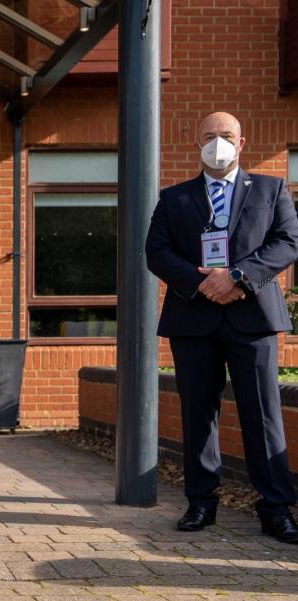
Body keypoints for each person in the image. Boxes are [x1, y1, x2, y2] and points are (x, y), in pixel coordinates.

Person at [146, 111, 298, 543]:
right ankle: (200, 503)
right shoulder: (174, 198)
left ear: (242, 142)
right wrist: (204, 283)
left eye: (226, 135)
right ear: (197, 145)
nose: (218, 143)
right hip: (193, 318)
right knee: (198, 414)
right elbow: (156, 252)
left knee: (264, 414)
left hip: (253, 319)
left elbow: (287, 242)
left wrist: (237, 277)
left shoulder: (271, 188)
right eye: (210, 136)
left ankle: (275, 509)